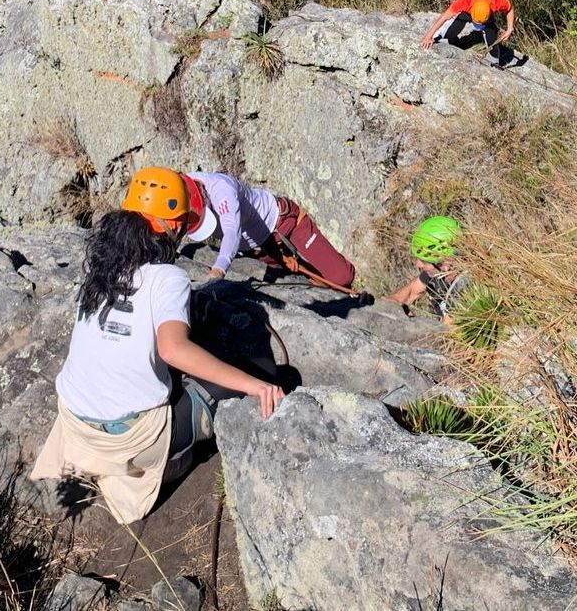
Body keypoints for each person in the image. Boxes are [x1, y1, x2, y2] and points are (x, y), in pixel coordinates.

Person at [29, 206, 284, 524]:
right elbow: (173, 349)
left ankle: (121, 461)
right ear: (168, 232)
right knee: (262, 368)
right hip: (131, 439)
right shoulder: (168, 277)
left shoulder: (100, 273)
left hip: (77, 427)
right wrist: (254, 385)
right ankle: (168, 461)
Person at [126, 167, 358, 291]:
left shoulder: (221, 189)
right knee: (299, 282)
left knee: (341, 277)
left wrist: (219, 269)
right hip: (258, 249)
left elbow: (231, 231)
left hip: (283, 226)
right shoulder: (181, 187)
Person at [386, 215, 467, 323]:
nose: (418, 265)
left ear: (445, 262)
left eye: (424, 261)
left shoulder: (465, 286)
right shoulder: (437, 273)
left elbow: (450, 330)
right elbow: (410, 293)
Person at [419, 0, 519, 69]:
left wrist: (510, 28)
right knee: (451, 31)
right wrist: (429, 36)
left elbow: (509, 8)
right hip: (467, 12)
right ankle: (451, 39)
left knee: (491, 36)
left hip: (487, 14)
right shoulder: (466, 1)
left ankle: (494, 61)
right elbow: (444, 17)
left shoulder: (495, 2)